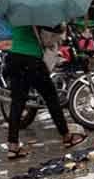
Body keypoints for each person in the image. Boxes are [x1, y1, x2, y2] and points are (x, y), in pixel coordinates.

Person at [5, 25, 86, 159]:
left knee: (17, 103)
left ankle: (13, 147)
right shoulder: (36, 16)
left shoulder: (17, 15)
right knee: (51, 98)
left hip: (14, 58)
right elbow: (54, 30)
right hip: (32, 60)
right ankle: (67, 136)